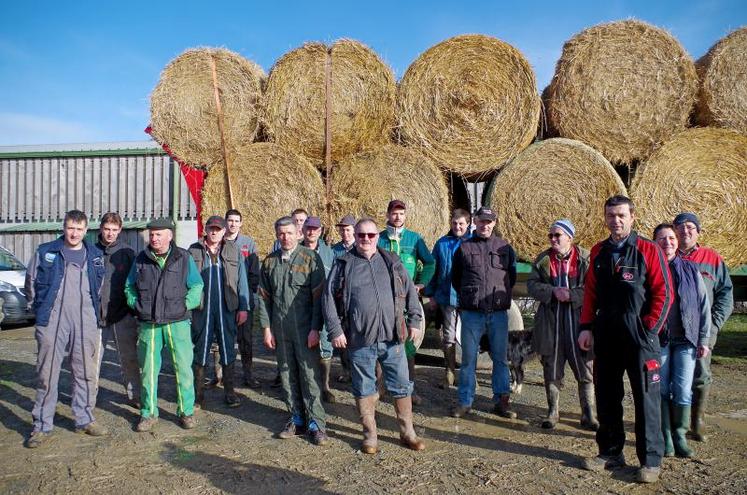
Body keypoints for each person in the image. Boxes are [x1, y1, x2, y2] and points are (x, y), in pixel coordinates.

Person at [578, 196, 673, 484]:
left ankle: (651, 460)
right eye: (610, 216)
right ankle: (610, 452)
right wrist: (586, 327)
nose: (615, 221)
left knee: (647, 399)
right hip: (607, 335)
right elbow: (590, 293)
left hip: (640, 338)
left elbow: (664, 293)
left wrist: (649, 329)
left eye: (620, 215)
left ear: (632, 217)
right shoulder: (598, 252)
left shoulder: (648, 249)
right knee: (607, 395)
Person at [323, 218, 425, 453]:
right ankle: (370, 436)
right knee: (364, 387)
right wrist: (336, 330)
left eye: (370, 235)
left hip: (393, 338)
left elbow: (410, 292)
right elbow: (328, 300)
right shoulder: (344, 264)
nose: (366, 239)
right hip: (360, 339)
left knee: (401, 385)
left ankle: (407, 432)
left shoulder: (391, 261)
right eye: (361, 235)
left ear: (377, 237)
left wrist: (415, 321)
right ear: (355, 237)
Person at [24, 210, 107, 447]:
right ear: (64, 227)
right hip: (52, 320)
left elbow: (99, 287)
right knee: (47, 373)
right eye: (71, 228)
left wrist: (93, 316)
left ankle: (85, 419)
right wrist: (38, 310)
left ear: (86, 230)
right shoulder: (47, 251)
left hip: (85, 321)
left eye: (79, 229)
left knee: (85, 372)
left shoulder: (95, 254)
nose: (74, 233)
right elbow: (30, 284)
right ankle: (41, 425)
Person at [125, 218, 204, 432]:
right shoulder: (141, 259)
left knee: (183, 369)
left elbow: (197, 285)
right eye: (151, 234)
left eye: (159, 234)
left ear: (170, 236)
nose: (154, 237)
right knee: (148, 370)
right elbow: (129, 287)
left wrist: (184, 305)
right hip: (149, 324)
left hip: (177, 323)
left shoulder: (183, 258)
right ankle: (148, 413)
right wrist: (137, 305)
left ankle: (186, 412)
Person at [257, 216, 329, 446]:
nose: (285, 237)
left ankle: (316, 424)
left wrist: (316, 328)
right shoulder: (269, 263)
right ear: (276, 235)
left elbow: (320, 299)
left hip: (305, 329)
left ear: (298, 233)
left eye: (289, 233)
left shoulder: (310, 259)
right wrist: (267, 329)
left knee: (310, 376)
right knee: (287, 375)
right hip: (280, 329)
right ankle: (296, 418)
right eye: (281, 233)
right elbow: (263, 300)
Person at [527, 219, 598, 431]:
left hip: (579, 322)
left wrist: (573, 295)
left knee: (585, 368)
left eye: (557, 235)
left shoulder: (586, 258)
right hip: (551, 322)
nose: (553, 239)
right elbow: (532, 285)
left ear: (570, 237)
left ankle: (588, 414)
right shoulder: (542, 260)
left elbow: (595, 288)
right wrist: (552, 292)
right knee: (551, 367)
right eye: (551, 236)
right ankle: (553, 412)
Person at [450, 206, 518, 420]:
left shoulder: (505, 247)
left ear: (494, 223)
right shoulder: (464, 248)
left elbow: (511, 277)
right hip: (472, 314)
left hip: (498, 313)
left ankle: (501, 402)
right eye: (481, 221)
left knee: (500, 359)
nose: (485, 225)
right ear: (475, 222)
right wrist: (469, 299)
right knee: (469, 359)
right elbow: (456, 278)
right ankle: (465, 402)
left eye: (489, 222)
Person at [673, 212, 734, 442]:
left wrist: (715, 324)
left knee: (701, 374)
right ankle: (676, 423)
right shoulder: (667, 255)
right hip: (674, 329)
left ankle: (697, 422)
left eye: (690, 227)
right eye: (680, 227)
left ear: (698, 232)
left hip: (702, 331)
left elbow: (725, 294)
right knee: (672, 376)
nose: (684, 231)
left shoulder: (712, 258)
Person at [653, 223, 711, 458]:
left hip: (687, 340)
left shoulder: (691, 268)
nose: (667, 242)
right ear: (655, 243)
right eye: (661, 239)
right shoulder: (651, 269)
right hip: (661, 340)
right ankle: (666, 436)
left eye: (671, 238)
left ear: (677, 241)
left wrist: (704, 338)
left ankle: (680, 435)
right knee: (663, 388)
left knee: (683, 390)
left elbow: (703, 306)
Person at [189, 216, 251, 409]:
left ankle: (230, 392)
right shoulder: (194, 250)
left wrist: (243, 307)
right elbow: (186, 280)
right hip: (202, 308)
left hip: (227, 307)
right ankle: (198, 395)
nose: (214, 232)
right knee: (200, 347)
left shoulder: (233, 250)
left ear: (224, 231)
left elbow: (242, 280)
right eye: (211, 228)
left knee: (227, 347)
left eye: (218, 229)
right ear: (205, 230)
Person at [378, 199, 435, 404]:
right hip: (384, 300)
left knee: (409, 344)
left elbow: (429, 262)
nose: (397, 217)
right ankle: (380, 388)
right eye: (394, 213)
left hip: (408, 299)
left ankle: (410, 390)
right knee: (381, 342)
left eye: (401, 213)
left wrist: (420, 284)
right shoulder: (379, 238)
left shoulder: (414, 239)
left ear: (406, 216)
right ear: (388, 214)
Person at [96, 212, 140, 409]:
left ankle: (134, 395)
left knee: (129, 359)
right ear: (100, 228)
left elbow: (135, 284)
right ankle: (89, 397)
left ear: (120, 230)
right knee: (92, 361)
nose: (110, 234)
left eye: (114, 230)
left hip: (123, 315)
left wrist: (133, 310)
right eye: (107, 229)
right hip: (96, 316)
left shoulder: (128, 253)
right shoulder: (90, 251)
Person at [424, 208, 472, 389]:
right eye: (454, 223)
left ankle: (468, 376)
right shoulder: (441, 244)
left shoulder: (474, 243)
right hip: (447, 298)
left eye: (461, 224)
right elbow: (433, 270)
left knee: (469, 338)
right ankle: (449, 374)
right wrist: (431, 295)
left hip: (468, 301)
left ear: (468, 224)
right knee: (448, 337)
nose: (457, 227)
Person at [301, 216, 337, 403]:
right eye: (308, 228)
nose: (311, 232)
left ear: (321, 231)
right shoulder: (295, 251)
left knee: (325, 346)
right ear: (303, 229)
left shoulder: (329, 253)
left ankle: (325, 386)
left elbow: (336, 280)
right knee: (301, 346)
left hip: (323, 306)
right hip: (300, 307)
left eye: (315, 229)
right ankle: (303, 386)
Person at [224, 209, 261, 388]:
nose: (233, 224)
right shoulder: (219, 242)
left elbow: (255, 272)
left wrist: (247, 294)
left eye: (236, 221)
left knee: (246, 339)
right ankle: (221, 376)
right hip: (225, 300)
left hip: (244, 299)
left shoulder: (248, 243)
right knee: (223, 338)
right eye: (230, 220)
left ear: (241, 223)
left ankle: (248, 374)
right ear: (226, 222)